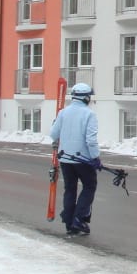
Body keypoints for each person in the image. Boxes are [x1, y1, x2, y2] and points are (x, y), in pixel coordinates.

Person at [50, 82, 101, 235]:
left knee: (70, 189)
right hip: (83, 159)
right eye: (89, 97)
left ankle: (69, 221)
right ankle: (79, 219)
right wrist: (95, 158)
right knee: (89, 186)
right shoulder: (89, 114)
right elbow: (91, 140)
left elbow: (53, 134)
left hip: (65, 159)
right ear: (86, 98)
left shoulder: (63, 113)